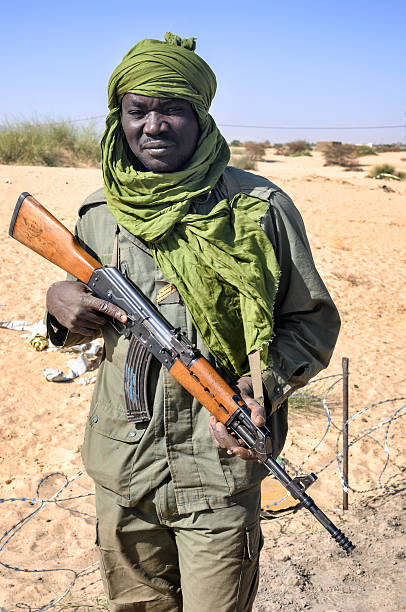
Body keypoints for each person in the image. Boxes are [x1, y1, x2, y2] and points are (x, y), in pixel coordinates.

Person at [46, 33, 340, 612]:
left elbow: (312, 323)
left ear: (201, 116)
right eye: (138, 111)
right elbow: (84, 319)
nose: (154, 125)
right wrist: (59, 311)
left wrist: (263, 390)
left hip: (218, 473)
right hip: (124, 473)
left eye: (172, 108)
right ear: (119, 119)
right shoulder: (97, 215)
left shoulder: (259, 210)